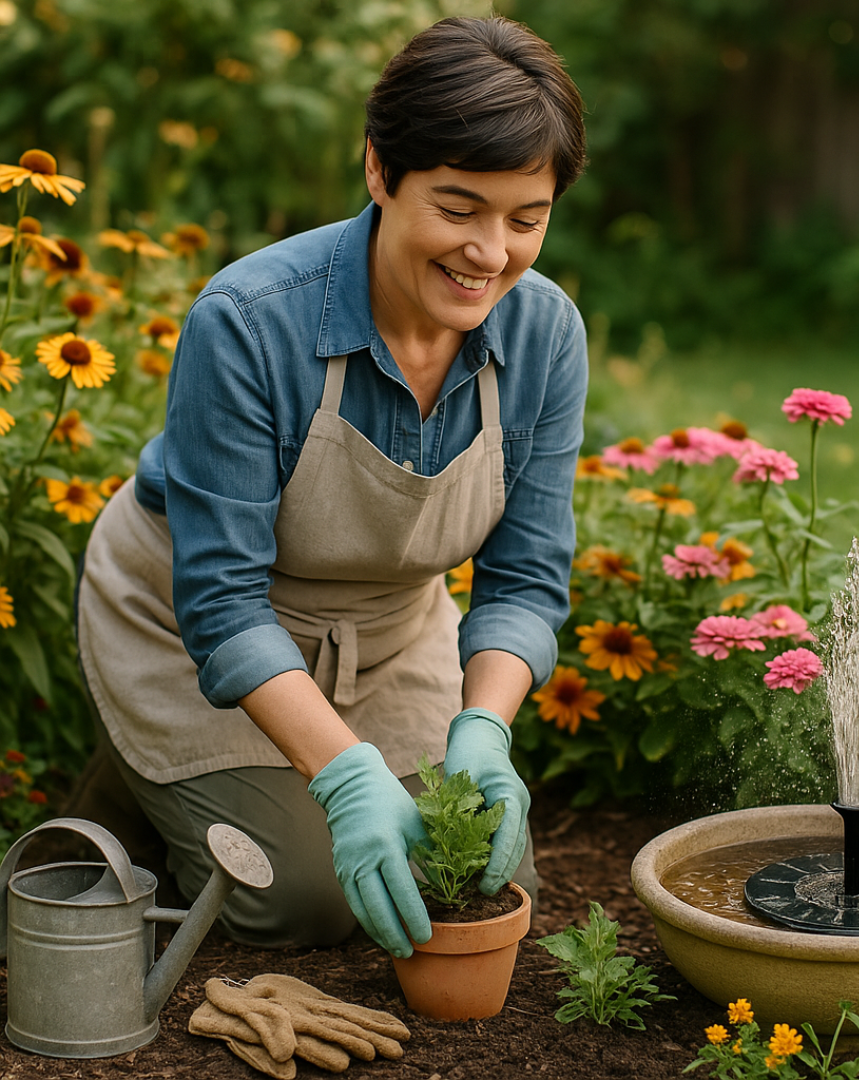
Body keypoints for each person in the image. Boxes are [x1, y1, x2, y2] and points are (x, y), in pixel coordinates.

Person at [75, 15, 588, 958]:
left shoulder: (545, 335)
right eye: (459, 207)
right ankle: (145, 771)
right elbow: (221, 602)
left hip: (389, 637)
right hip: (190, 628)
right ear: (378, 172)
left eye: (527, 219)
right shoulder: (248, 322)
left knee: (474, 879)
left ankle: (199, 788)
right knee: (306, 901)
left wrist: (483, 728)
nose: (490, 255)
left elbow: (523, 579)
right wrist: (350, 781)